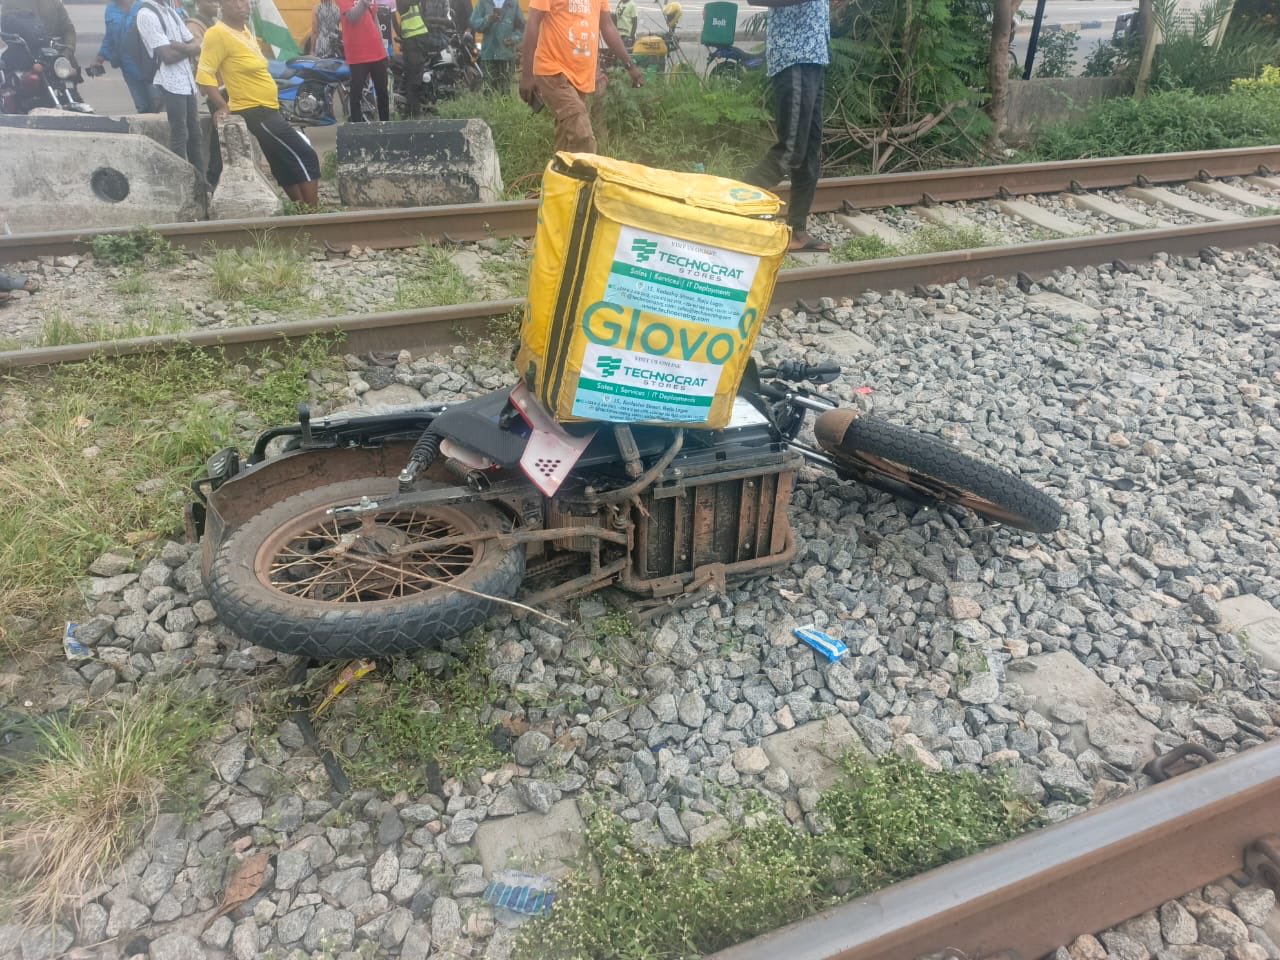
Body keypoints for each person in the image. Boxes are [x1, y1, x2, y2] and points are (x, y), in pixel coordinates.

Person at [196, 0, 321, 206]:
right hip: (255, 110)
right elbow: (205, 74)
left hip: (268, 107)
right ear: (222, 6)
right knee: (305, 155)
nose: (241, 6)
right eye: (233, 2)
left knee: (281, 160)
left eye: (244, 2)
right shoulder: (217, 34)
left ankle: (301, 211)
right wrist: (222, 105)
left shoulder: (244, 30)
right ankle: (314, 215)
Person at [741, 0, 830, 252]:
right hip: (794, 58)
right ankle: (730, 208)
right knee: (791, 152)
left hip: (814, 59)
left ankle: (797, 232)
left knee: (810, 153)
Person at [519, 0, 642, 154]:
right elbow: (533, 22)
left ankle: (560, 174)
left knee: (565, 139)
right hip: (553, 72)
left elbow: (607, 26)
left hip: (581, 76)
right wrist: (527, 74)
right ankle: (587, 176)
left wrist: (629, 65)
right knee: (582, 135)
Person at [137, 0, 206, 179]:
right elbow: (167, 56)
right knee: (179, 134)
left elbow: (197, 44)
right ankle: (181, 181)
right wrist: (189, 49)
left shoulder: (170, 11)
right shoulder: (147, 14)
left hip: (186, 80)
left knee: (195, 133)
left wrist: (180, 46)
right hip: (169, 82)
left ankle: (202, 181)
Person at [87, 0, 160, 112]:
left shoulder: (145, 5)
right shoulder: (110, 9)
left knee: (158, 105)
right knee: (142, 107)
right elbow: (110, 37)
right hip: (128, 69)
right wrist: (99, 59)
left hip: (151, 68)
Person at [185, 0, 222, 187]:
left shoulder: (213, 23)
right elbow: (203, 62)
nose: (216, 4)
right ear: (199, 3)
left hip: (225, 87)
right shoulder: (194, 26)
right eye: (210, 1)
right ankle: (214, 179)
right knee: (219, 143)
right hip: (216, 90)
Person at [337, 0, 390, 121]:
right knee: (356, 95)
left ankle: (386, 126)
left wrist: (383, 48)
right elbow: (352, 17)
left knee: (382, 93)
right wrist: (364, 2)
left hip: (377, 51)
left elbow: (375, 20)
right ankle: (357, 128)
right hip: (358, 55)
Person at [469, 0, 522, 92]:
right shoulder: (484, 2)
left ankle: (505, 106)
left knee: (506, 90)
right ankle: (490, 106)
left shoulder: (513, 3)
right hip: (489, 54)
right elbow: (474, 22)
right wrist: (487, 19)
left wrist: (514, 38)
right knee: (489, 90)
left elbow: (521, 27)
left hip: (506, 55)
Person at [395, 0, 431, 115]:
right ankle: (413, 112)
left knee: (416, 76)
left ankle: (411, 110)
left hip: (418, 41)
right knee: (414, 79)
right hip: (412, 42)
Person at [0, 0, 75, 56]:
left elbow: (68, 29)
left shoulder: (54, 2)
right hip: (26, 62)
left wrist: (68, 50)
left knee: (72, 75)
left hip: (56, 58)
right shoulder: (10, 2)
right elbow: (6, 35)